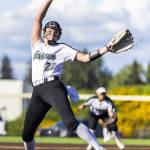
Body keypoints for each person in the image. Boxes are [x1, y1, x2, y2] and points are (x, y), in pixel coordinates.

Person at [22, 0, 113, 150]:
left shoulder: (62, 48)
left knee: (70, 123)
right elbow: (38, 17)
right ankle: (67, 88)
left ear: (59, 35)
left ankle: (99, 147)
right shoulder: (36, 44)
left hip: (52, 87)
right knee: (26, 134)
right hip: (37, 91)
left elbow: (85, 58)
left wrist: (106, 49)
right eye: (49, 31)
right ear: (44, 32)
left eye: (55, 32)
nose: (52, 33)